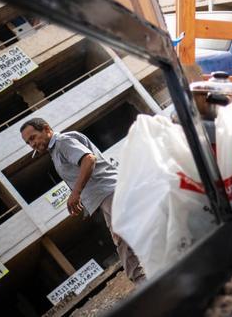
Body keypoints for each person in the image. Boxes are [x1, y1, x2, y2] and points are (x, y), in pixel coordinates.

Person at [20, 118, 146, 283]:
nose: (32, 144)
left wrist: (76, 193)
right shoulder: (55, 150)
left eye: (33, 137)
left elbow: (88, 159)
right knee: (123, 237)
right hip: (103, 196)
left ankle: (147, 275)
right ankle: (142, 279)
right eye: (28, 142)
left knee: (127, 233)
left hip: (108, 191)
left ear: (46, 129)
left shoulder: (62, 143)